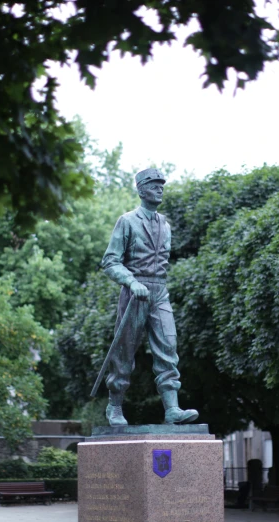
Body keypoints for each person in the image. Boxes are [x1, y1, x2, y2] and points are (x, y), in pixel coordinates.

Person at [100, 167, 199, 426]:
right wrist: (131, 282)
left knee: (168, 347)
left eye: (161, 185)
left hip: (159, 292)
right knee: (124, 353)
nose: (160, 189)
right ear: (141, 189)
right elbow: (110, 261)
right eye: (154, 185)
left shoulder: (165, 225)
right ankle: (115, 407)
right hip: (135, 292)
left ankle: (172, 410)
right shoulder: (127, 221)